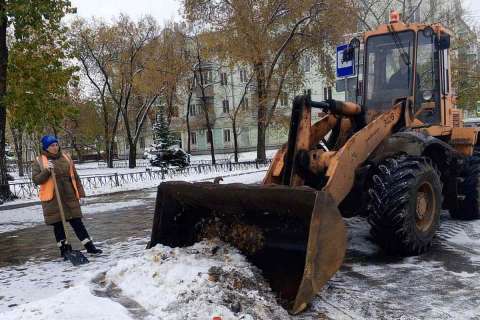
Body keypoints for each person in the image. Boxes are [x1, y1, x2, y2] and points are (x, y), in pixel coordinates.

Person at [32, 135, 102, 258]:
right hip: (53, 199)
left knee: (77, 222)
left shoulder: (66, 157)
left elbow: (75, 177)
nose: (55, 147)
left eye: (56, 144)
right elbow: (36, 180)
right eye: (51, 146)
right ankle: (65, 251)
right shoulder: (39, 161)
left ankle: (90, 248)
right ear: (46, 147)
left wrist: (81, 193)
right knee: (58, 226)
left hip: (69, 196)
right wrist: (47, 170)